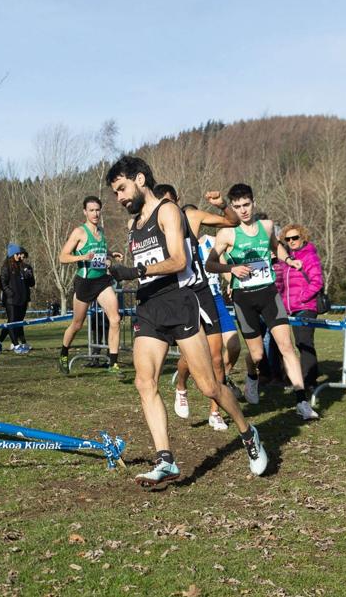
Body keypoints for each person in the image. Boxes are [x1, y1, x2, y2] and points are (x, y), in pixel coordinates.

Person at [105, 155, 267, 486]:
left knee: (208, 385)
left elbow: (179, 260)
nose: (120, 198)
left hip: (179, 302)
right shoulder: (133, 226)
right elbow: (147, 264)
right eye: (115, 193)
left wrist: (136, 271)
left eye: (121, 189)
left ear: (139, 179)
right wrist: (125, 271)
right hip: (150, 305)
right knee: (144, 381)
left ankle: (248, 434)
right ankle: (165, 459)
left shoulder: (167, 210)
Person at [205, 183, 319, 420]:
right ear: (233, 208)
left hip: (268, 294)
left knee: (286, 346)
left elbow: (277, 248)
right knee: (257, 356)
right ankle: (251, 376)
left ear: (253, 203)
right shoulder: (227, 234)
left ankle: (301, 402)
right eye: (237, 207)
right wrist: (231, 268)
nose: (243, 211)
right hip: (244, 299)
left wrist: (289, 261)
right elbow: (210, 264)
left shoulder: (266, 227)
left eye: (246, 205)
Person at [156, 189, 242, 431]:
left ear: (177, 201)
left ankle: (216, 411)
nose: (167, 209)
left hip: (204, 293)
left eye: (170, 202)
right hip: (181, 296)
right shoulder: (155, 227)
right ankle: (181, 386)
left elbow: (232, 222)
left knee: (217, 356)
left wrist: (222, 204)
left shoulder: (191, 217)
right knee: (190, 357)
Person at [57, 196, 124, 376]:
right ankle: (63, 353)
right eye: (91, 210)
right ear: (85, 212)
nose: (95, 213)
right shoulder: (79, 232)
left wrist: (111, 254)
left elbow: (99, 253)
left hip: (102, 281)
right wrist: (81, 257)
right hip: (85, 282)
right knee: (77, 324)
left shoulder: (101, 231)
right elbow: (62, 257)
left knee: (115, 319)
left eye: (97, 210)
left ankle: (113, 363)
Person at [274, 224, 325, 393]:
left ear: (302, 237)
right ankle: (295, 378)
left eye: (295, 238)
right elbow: (282, 284)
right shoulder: (287, 258)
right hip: (290, 309)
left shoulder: (309, 256)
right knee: (291, 344)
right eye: (287, 239)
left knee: (304, 343)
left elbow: (317, 282)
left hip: (306, 306)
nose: (291, 241)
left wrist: (302, 297)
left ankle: (309, 380)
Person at [0, 244, 35, 354]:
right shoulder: (6, 267)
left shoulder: (22, 267)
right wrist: (10, 294)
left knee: (15, 322)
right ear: (12, 255)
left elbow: (31, 283)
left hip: (22, 299)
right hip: (11, 300)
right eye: (17, 254)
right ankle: (16, 345)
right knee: (12, 322)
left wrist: (29, 275)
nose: (20, 256)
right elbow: (2, 283)